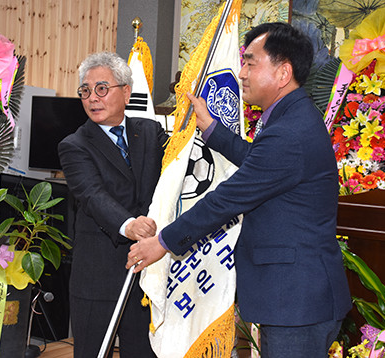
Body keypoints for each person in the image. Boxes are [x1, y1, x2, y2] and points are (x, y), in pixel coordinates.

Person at [127, 23, 352, 357]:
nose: (242, 73)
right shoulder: (291, 118)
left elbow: (230, 197)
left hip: (296, 301)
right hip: (295, 297)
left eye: (250, 63)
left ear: (283, 72)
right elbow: (260, 166)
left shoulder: (289, 131)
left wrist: (163, 242)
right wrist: (213, 131)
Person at [58, 52, 167, 358]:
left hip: (146, 275)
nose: (92, 98)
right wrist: (130, 225)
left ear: (126, 92)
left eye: (102, 88)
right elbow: (92, 195)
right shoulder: (74, 145)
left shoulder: (150, 132)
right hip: (98, 279)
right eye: (85, 91)